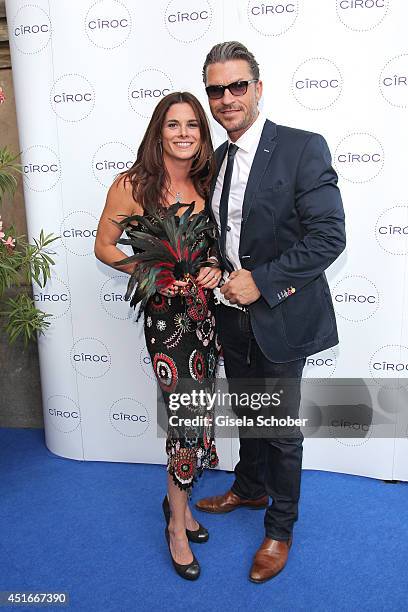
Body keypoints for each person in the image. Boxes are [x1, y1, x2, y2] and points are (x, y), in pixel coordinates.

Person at [195, 41, 346, 583]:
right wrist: (215, 264)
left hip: (280, 312)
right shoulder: (214, 159)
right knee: (250, 411)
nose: (228, 97)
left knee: (279, 426)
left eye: (238, 86)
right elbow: (226, 233)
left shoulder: (302, 148)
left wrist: (260, 281)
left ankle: (280, 528)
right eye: (217, 89)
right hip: (230, 315)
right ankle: (250, 487)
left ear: (258, 88)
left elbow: (329, 236)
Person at [94, 91, 222, 581]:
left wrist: (210, 269)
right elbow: (104, 246)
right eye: (174, 124)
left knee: (201, 414)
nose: (184, 133)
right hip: (168, 324)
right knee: (186, 420)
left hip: (206, 318)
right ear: (158, 131)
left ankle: (181, 505)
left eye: (193, 124)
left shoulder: (207, 180)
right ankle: (175, 528)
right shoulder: (132, 185)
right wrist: (150, 269)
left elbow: (215, 247)